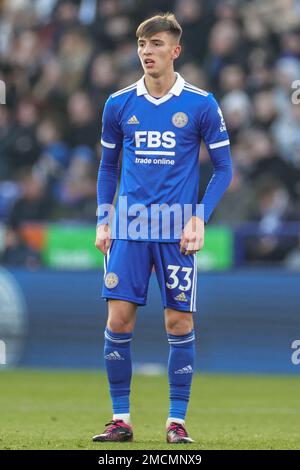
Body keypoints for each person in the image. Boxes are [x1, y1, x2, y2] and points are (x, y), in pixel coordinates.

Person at [93, 13, 233, 444]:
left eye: (155, 44)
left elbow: (224, 169)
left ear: (175, 50)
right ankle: (121, 420)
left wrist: (199, 217)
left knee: (178, 321)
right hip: (130, 229)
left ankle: (176, 422)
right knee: (118, 319)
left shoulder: (201, 103)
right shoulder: (119, 103)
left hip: (176, 232)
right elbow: (108, 167)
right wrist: (104, 217)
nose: (146, 52)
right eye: (141, 44)